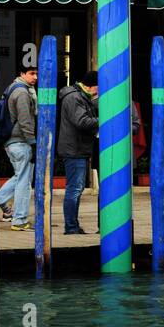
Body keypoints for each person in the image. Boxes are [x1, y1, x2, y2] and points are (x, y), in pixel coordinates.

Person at [0, 66, 38, 231]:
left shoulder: (12, 88)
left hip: (12, 141)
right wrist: (32, 142)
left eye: (36, 74)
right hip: (20, 141)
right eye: (31, 73)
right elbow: (25, 120)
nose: (35, 77)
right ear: (22, 73)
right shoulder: (21, 93)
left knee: (19, 178)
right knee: (24, 183)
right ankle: (19, 220)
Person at [56, 70, 99, 235]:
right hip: (74, 149)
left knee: (76, 187)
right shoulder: (74, 98)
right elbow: (82, 121)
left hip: (77, 148)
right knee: (74, 188)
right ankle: (71, 227)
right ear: (91, 86)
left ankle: (73, 226)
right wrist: (108, 118)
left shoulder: (80, 97)